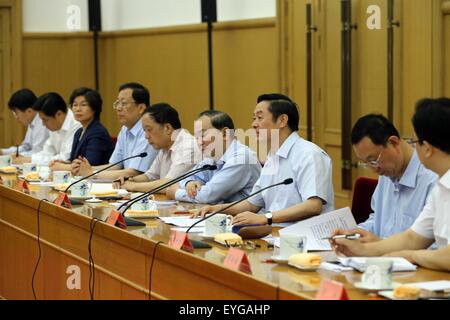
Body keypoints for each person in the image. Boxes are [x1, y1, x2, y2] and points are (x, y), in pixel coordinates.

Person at [332, 98, 450, 272]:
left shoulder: (433, 181)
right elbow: (413, 237)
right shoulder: (442, 186)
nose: (412, 147)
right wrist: (361, 248)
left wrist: (409, 255)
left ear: (428, 148)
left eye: (415, 142)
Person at [196, 93, 334, 225]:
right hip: (274, 233)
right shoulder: (273, 156)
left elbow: (313, 205)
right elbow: (252, 204)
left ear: (282, 120)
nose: (254, 124)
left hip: (305, 239)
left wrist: (265, 218)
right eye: (253, 118)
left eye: (260, 118)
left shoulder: (309, 154)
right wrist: (217, 209)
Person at [332, 114, 437, 243]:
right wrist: (353, 234)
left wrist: (379, 244)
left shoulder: (432, 179)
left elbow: (436, 246)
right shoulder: (387, 172)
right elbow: (377, 220)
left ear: (393, 142)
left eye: (373, 160)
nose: (374, 169)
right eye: (366, 163)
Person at [166, 110, 261, 204]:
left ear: (225, 133)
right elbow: (182, 181)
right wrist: (189, 183)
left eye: (203, 135)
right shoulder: (210, 159)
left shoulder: (242, 158)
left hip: (246, 217)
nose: (199, 142)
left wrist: (175, 193)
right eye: (197, 137)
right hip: (223, 215)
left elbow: (208, 196)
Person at [72, 82, 158, 180]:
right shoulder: (125, 129)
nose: (118, 108)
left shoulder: (147, 132)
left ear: (141, 108)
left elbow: (134, 172)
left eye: (124, 103)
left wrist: (92, 173)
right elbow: (115, 166)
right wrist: (86, 169)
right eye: (117, 103)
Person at [114, 103, 200, 193]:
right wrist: (130, 180)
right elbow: (150, 176)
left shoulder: (188, 146)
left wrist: (133, 186)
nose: (146, 136)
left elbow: (168, 184)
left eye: (149, 129)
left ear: (167, 128)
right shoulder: (165, 146)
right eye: (144, 130)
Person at [50, 87, 114, 171]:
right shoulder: (79, 132)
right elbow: (74, 161)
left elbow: (88, 167)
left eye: (83, 105)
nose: (78, 109)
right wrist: (62, 163)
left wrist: (61, 167)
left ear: (94, 108)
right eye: (75, 105)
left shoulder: (97, 132)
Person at [13, 92, 81, 165]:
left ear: (59, 114)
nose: (43, 124)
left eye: (45, 120)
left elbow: (65, 158)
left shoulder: (76, 125)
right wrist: (26, 158)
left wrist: (29, 160)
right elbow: (47, 152)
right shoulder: (55, 125)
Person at [1, 89, 49, 158]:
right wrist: (3, 152)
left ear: (29, 111)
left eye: (16, 113)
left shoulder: (42, 123)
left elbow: (37, 152)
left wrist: (17, 156)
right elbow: (26, 147)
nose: (16, 117)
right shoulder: (32, 122)